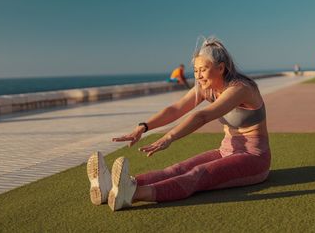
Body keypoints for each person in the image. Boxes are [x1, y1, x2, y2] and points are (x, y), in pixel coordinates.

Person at [87, 37, 271, 211]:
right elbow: (176, 109)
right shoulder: (206, 88)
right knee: (176, 169)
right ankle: (110, 187)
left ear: (220, 68)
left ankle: (132, 194)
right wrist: (143, 126)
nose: (198, 76)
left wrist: (169, 137)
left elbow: (202, 116)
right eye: (196, 70)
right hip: (225, 151)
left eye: (203, 69)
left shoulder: (241, 89)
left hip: (254, 158)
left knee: (198, 173)